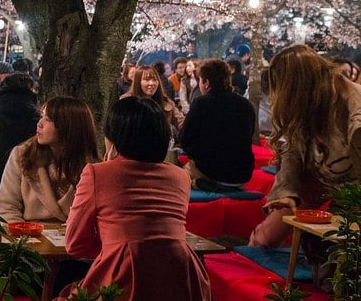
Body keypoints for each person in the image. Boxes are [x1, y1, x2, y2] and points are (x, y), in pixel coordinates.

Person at [63, 97, 212, 300]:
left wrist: (114, 245)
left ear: (114, 137)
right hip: (181, 274)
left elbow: (74, 243)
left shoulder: (98, 174)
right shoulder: (180, 176)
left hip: (123, 273)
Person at [249, 45, 361, 288]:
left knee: (338, 269)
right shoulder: (309, 104)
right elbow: (292, 147)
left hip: (353, 193)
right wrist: (286, 193)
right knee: (302, 237)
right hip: (326, 183)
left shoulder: (354, 108)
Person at [0, 97, 98, 224]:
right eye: (41, 116)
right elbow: (7, 207)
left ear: (67, 126)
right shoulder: (23, 155)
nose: (39, 123)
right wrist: (22, 238)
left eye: (48, 119)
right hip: (28, 235)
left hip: (73, 237)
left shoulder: (92, 166)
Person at [178, 58, 255, 192]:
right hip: (242, 174)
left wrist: (199, 156)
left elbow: (184, 138)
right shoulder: (245, 104)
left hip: (210, 172)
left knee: (178, 176)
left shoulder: (201, 103)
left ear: (206, 82)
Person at [121, 66, 184, 133]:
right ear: (138, 82)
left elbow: (180, 121)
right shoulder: (127, 101)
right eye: (147, 79)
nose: (151, 83)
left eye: (154, 79)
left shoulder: (166, 102)